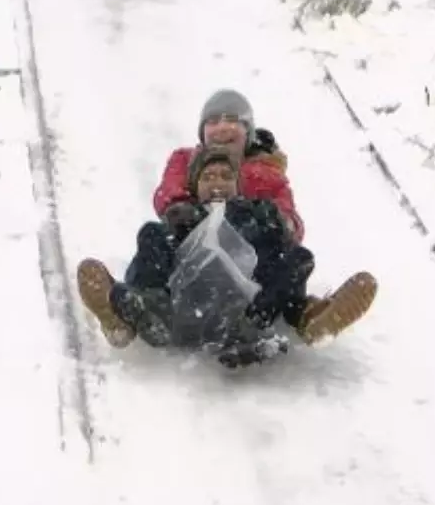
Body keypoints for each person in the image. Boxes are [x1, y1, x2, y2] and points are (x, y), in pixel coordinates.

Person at [77, 148, 376, 356]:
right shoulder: (183, 214)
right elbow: (156, 255)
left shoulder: (254, 211)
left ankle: (310, 319)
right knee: (152, 235)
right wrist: (180, 224)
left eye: (224, 177)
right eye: (208, 178)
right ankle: (134, 311)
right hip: (186, 301)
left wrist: (269, 225)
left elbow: (278, 253)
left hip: (250, 306)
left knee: (297, 257)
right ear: (195, 186)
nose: (217, 183)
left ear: (237, 185)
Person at [152, 89, 305, 243]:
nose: (222, 128)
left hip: (248, 251)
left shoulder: (267, 173)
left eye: (232, 120)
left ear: (247, 132)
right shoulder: (186, 159)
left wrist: (278, 222)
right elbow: (169, 191)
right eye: (213, 121)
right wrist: (186, 210)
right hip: (191, 243)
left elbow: (291, 219)